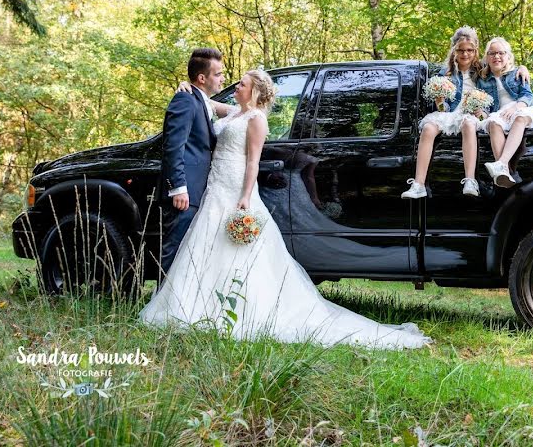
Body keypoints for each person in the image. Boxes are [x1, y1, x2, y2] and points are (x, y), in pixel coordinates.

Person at [140, 69, 431, 349]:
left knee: (236, 251)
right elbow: (207, 103)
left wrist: (245, 196)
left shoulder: (255, 119)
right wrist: (189, 88)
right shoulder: (234, 113)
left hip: (236, 189)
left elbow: (253, 161)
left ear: (253, 91)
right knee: (205, 243)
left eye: (241, 84)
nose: (236, 87)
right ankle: (194, 304)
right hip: (215, 186)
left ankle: (238, 309)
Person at [401, 27, 529, 199]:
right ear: (454, 50)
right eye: (460, 50)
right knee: (428, 128)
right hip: (451, 113)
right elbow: (443, 109)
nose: (465, 54)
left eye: (470, 50)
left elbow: (503, 68)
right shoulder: (444, 73)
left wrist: (523, 67)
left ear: (475, 50)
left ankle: (470, 180)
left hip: (472, 115)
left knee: (468, 124)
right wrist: (439, 101)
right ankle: (418, 184)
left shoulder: (483, 70)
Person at [158, 48, 225, 279]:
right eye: (218, 74)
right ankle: (160, 306)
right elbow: (173, 147)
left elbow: (245, 113)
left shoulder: (202, 101)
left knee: (187, 252)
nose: (222, 79)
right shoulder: (185, 99)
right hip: (184, 192)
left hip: (197, 191)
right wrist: (178, 187)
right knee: (174, 250)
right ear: (202, 78)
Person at [477, 37, 533, 187]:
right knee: (492, 123)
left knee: (520, 118)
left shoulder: (517, 73)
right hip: (501, 114)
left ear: (508, 56)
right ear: (487, 57)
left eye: (500, 53)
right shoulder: (482, 80)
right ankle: (506, 173)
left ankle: (502, 164)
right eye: (492, 53)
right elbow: (485, 106)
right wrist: (479, 113)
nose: (496, 56)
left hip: (521, 108)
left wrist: (516, 107)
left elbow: (527, 95)